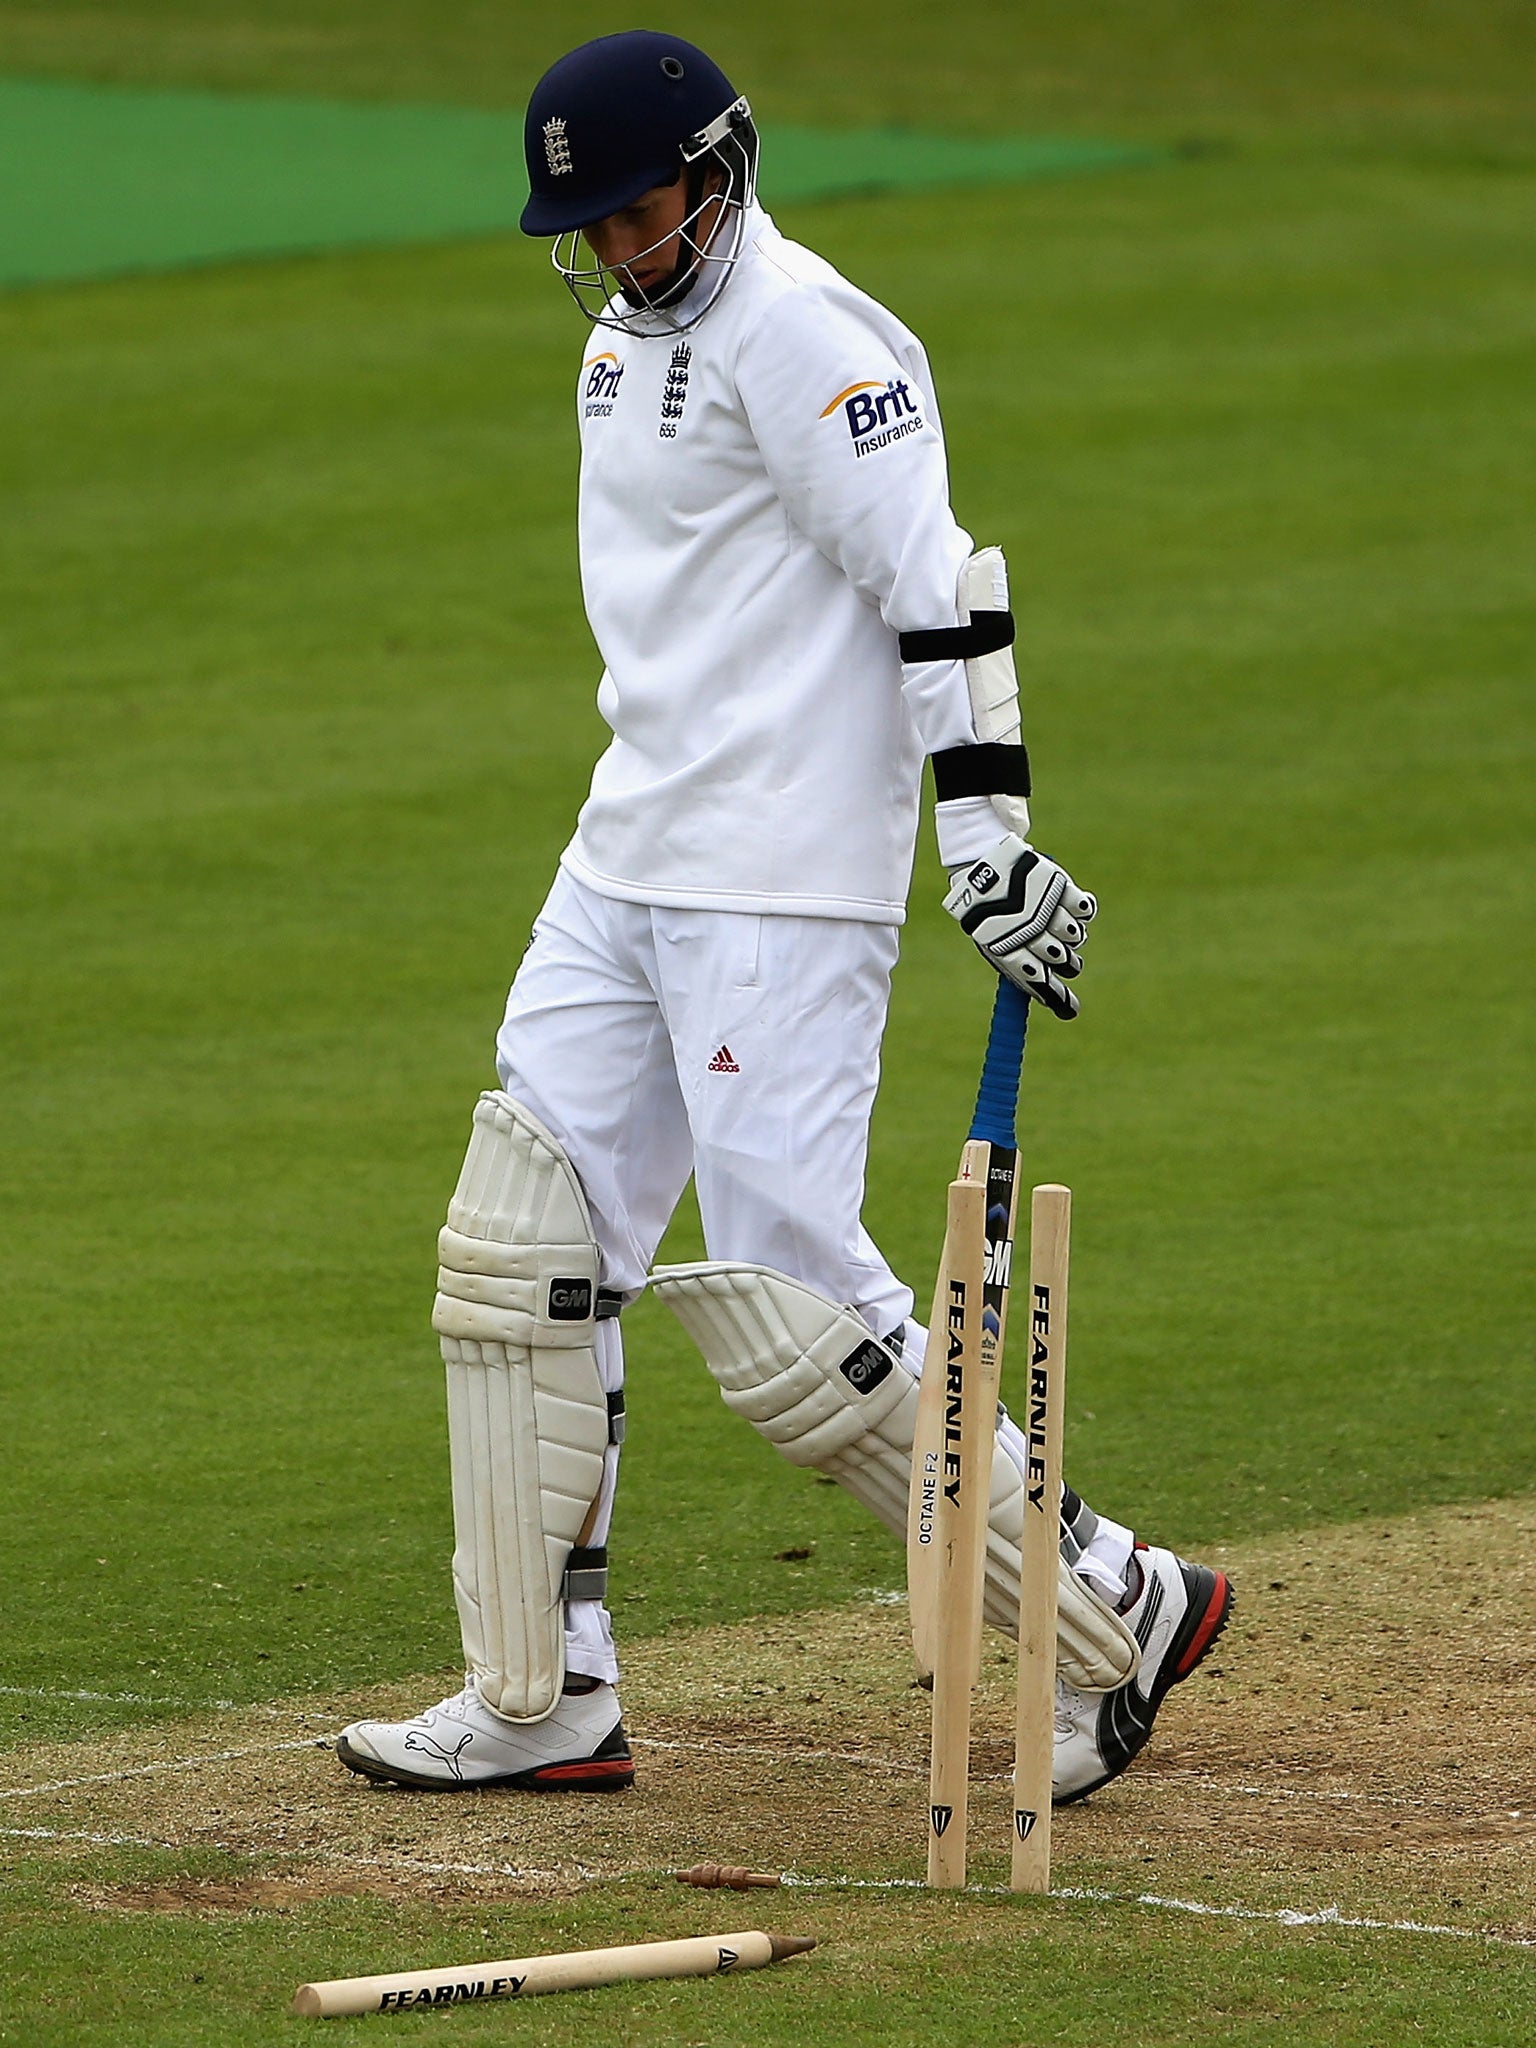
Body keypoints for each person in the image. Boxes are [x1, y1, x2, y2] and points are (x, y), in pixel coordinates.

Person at [336, 31, 1230, 1806]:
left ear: (726, 169)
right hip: (628, 852)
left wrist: (986, 845)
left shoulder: (812, 336)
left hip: (784, 882)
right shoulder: (616, 345)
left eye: (644, 211)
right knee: (521, 1252)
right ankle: (543, 1696)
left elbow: (940, 592)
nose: (621, 251)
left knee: (788, 1313)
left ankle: (1119, 1605)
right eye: (590, 228)